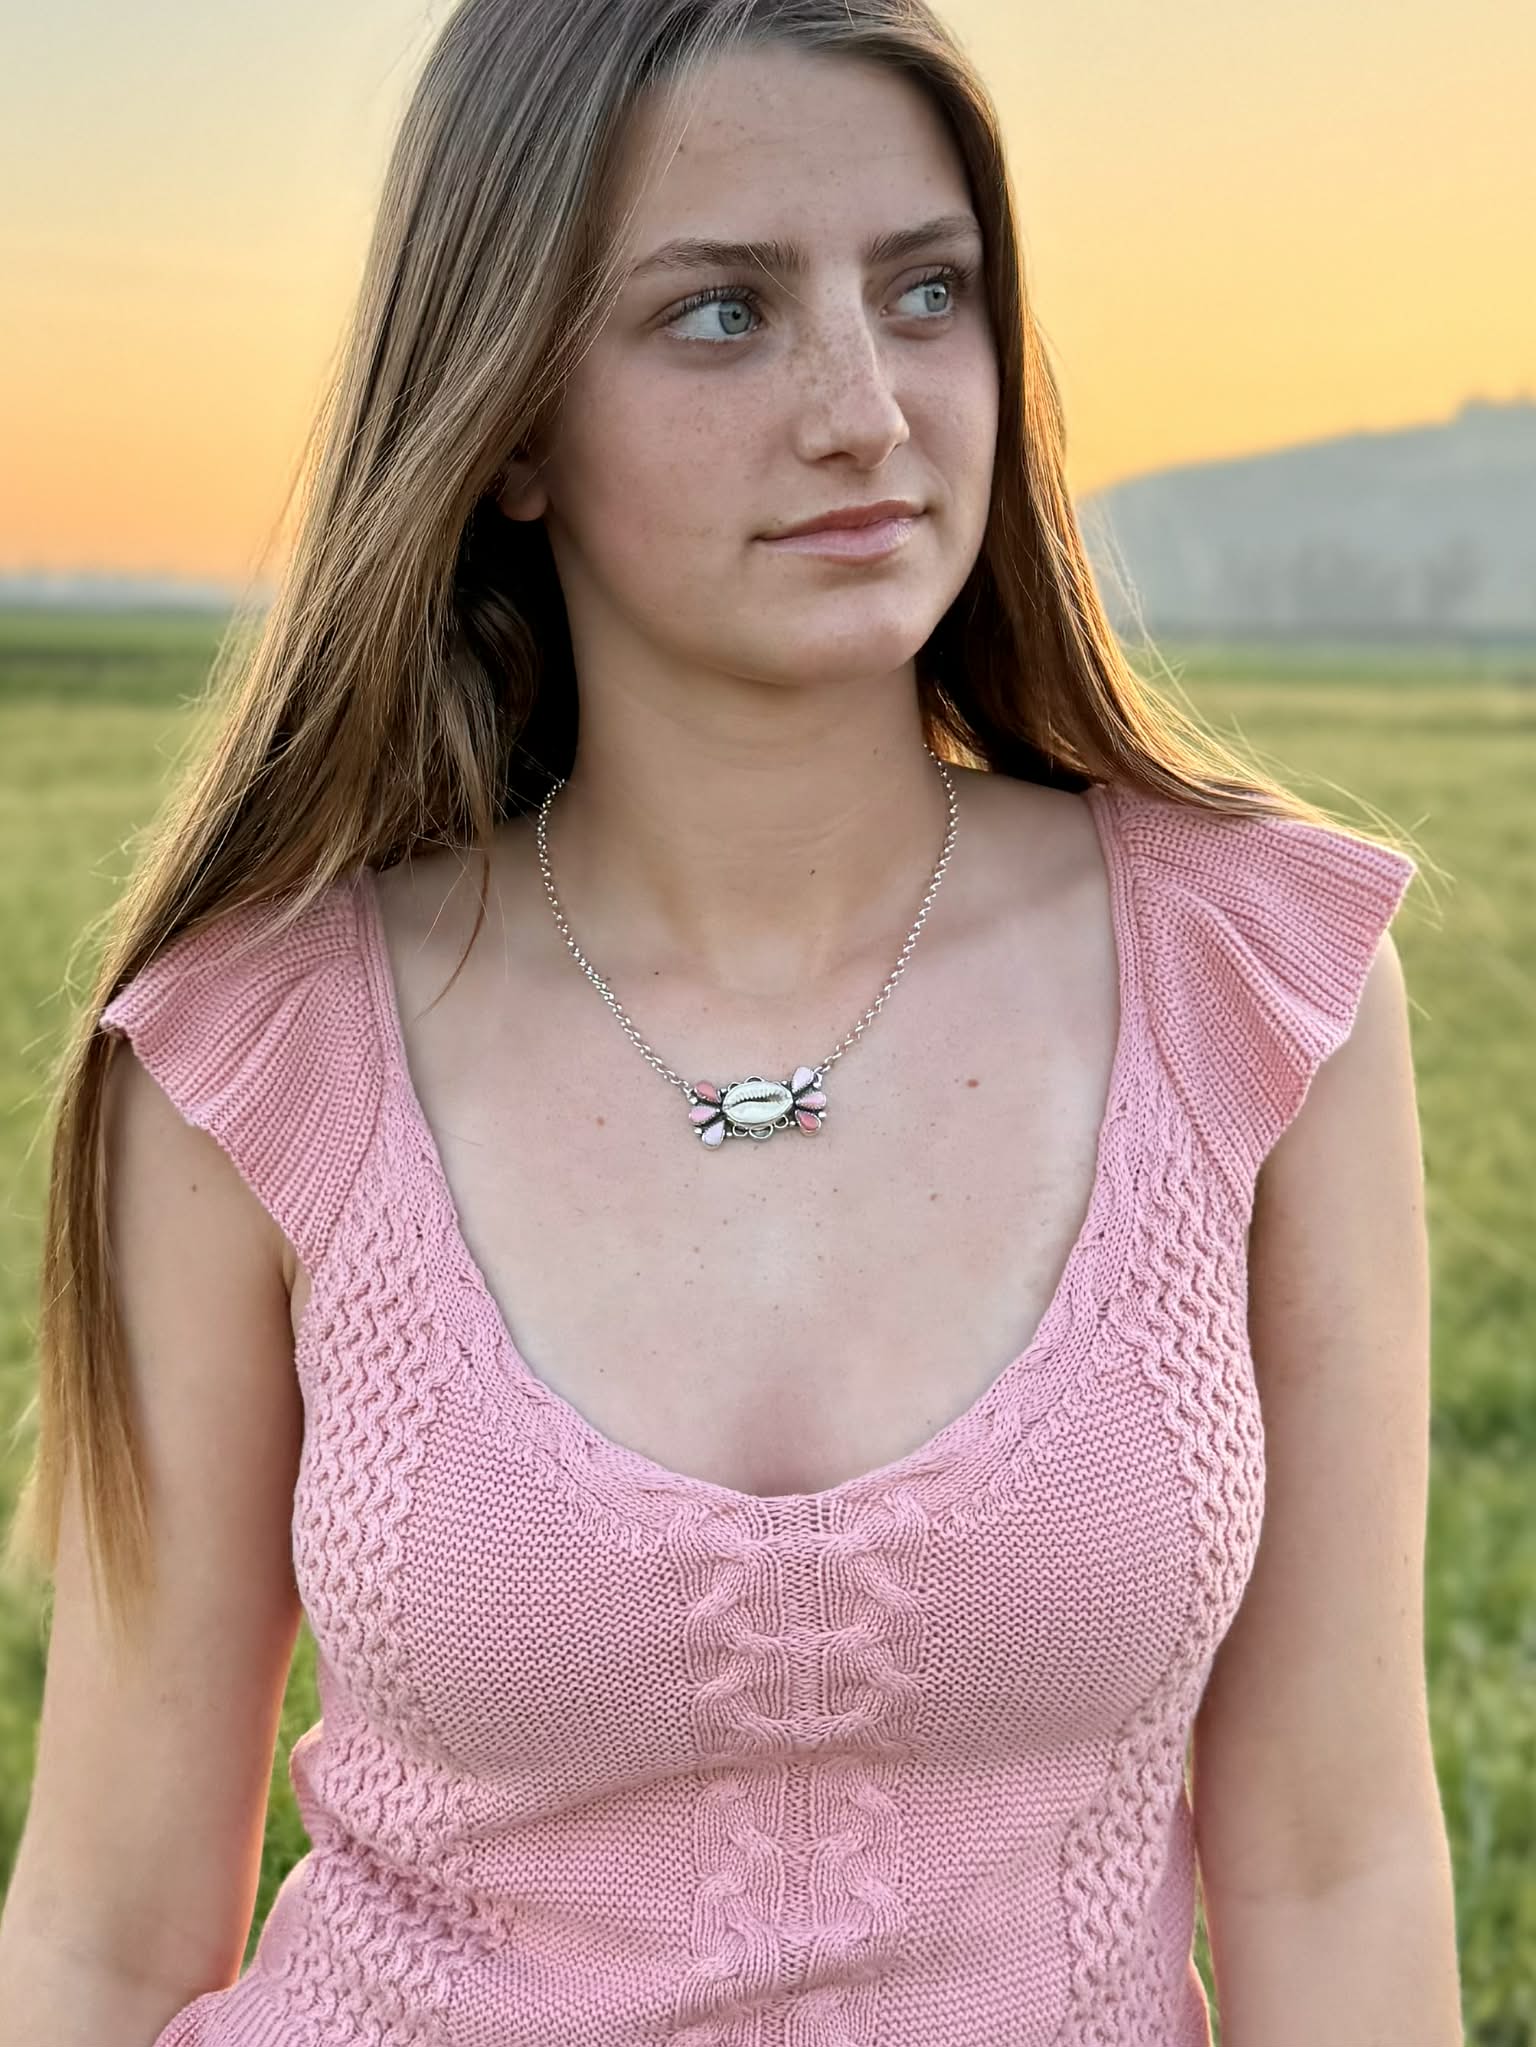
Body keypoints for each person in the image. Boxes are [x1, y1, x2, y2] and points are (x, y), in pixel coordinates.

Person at [0, 0, 1464, 2041]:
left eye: (927, 291)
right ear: (506, 423)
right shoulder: (262, 1052)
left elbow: (1336, 1858)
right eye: (721, 315)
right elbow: (107, 1927)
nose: (865, 407)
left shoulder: (1265, 989)